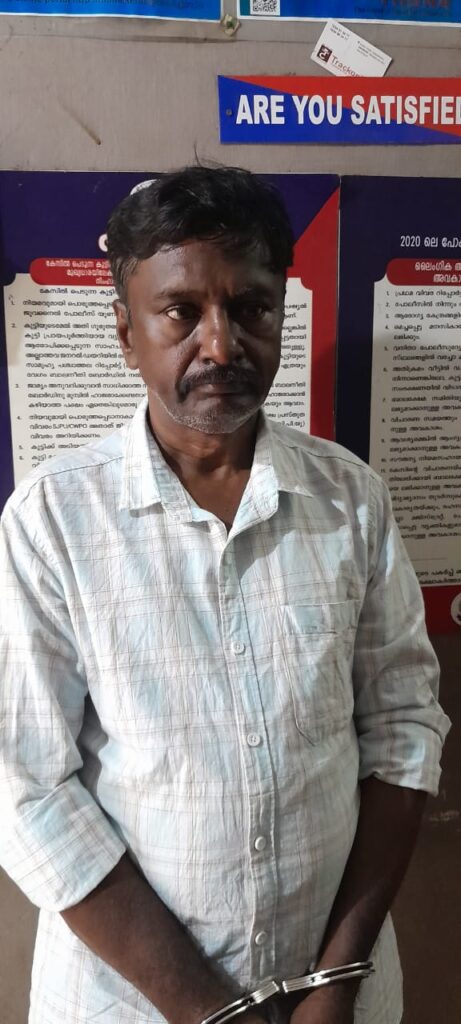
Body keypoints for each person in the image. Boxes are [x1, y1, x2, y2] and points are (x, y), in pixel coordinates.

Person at [0, 166, 450, 1024]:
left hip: (335, 994)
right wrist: (214, 1010)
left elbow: (401, 725)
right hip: (132, 1004)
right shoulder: (51, 522)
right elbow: (25, 789)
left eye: (250, 308)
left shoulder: (350, 500)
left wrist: (335, 982)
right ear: (126, 333)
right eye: (181, 312)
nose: (221, 344)